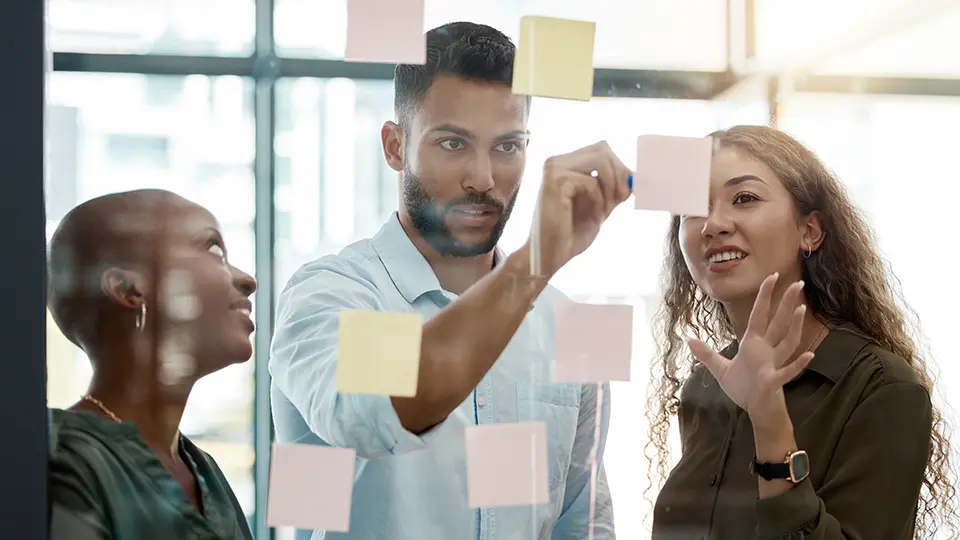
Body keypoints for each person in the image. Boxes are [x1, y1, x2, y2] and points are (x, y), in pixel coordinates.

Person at [270, 21, 631, 540]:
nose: (483, 178)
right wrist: (532, 267)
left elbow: (583, 522)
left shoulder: (569, 322)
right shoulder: (334, 295)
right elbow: (379, 413)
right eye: (453, 143)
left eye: (508, 147)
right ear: (395, 147)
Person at [646, 125, 958, 539]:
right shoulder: (704, 385)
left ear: (810, 230)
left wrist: (769, 420)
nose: (713, 224)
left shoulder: (880, 386)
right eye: (693, 209)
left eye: (745, 198)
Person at [47, 189, 257, 540]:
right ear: (130, 289)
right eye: (214, 250)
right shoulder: (65, 460)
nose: (247, 280)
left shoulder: (204, 471)